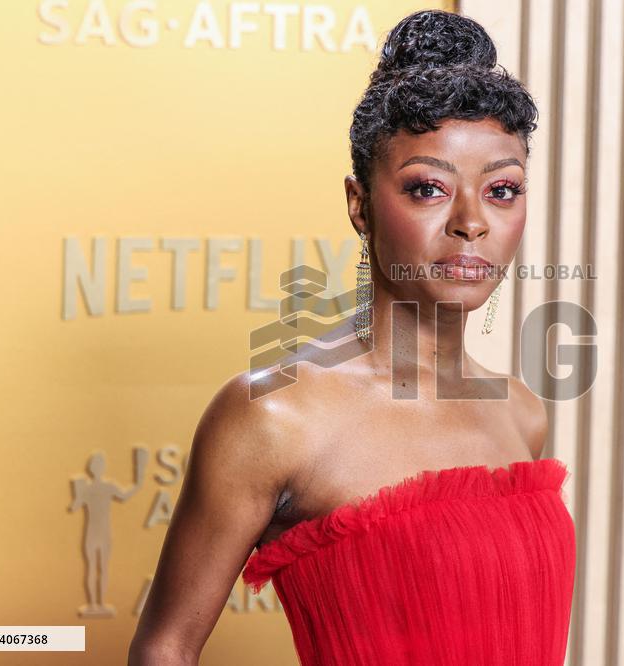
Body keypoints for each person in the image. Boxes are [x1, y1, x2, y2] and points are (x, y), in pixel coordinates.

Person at [129, 9, 576, 665]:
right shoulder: (276, 417)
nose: (471, 223)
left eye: (502, 190)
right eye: (429, 188)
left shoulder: (520, 411)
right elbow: (165, 648)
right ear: (360, 204)